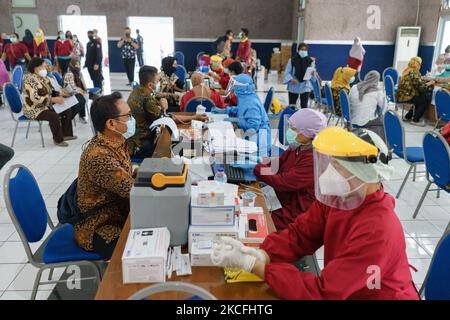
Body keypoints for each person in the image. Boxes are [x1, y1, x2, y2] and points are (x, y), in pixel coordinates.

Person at [211, 127, 420, 300]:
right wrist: (264, 254)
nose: (329, 173)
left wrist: (256, 267)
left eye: (337, 166)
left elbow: (323, 293)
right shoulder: (341, 197)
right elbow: (300, 234)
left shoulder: (378, 230)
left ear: (365, 175)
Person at [75, 92, 134, 259]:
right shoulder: (99, 156)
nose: (131, 119)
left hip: (119, 211)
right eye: (128, 116)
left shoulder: (116, 141)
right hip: (101, 225)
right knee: (138, 256)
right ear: (111, 123)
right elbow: (133, 191)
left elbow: (125, 176)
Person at [254, 109, 327, 231]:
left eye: (294, 129)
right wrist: (260, 161)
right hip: (283, 199)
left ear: (308, 134)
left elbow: (282, 182)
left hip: (297, 213)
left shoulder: (314, 159)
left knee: (258, 223)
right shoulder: (298, 145)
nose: (290, 131)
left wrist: (258, 168)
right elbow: (279, 162)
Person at [127, 66, 208, 158]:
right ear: (150, 85)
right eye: (157, 81)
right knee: (179, 151)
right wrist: (194, 117)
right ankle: (198, 157)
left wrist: (161, 100)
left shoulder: (137, 91)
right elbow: (166, 118)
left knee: (180, 142)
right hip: (141, 143)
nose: (159, 83)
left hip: (137, 137)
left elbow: (157, 105)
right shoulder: (146, 99)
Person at [23, 58, 79, 147]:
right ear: (35, 68)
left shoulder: (43, 78)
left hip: (46, 104)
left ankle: (66, 134)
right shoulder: (29, 80)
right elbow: (35, 98)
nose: (44, 68)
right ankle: (58, 140)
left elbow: (52, 90)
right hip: (34, 108)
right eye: (42, 66)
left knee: (66, 108)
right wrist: (53, 100)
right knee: (53, 116)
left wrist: (62, 93)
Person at [213, 73, 271, 157]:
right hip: (252, 136)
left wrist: (238, 121)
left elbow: (253, 126)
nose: (233, 88)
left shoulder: (251, 104)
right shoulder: (246, 96)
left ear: (241, 87)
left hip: (259, 141)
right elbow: (241, 109)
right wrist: (226, 110)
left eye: (235, 85)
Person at [349, 71, 387, 140]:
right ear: (377, 80)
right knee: (385, 121)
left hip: (351, 119)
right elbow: (384, 107)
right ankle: (380, 145)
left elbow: (349, 101)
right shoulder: (378, 91)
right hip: (365, 122)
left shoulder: (354, 87)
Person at [396, 57, 433, 126]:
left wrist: (421, 79)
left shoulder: (407, 70)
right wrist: (430, 83)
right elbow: (421, 87)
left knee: (420, 96)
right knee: (425, 99)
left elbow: (414, 82)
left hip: (401, 95)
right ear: (418, 64)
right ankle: (415, 120)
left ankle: (408, 116)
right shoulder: (415, 72)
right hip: (406, 96)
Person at [284, 43, 314, 108]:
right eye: (302, 49)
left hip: (305, 86)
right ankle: (292, 118)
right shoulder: (292, 60)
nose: (304, 51)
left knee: (304, 106)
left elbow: (313, 78)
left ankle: (303, 118)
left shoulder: (310, 61)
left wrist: (313, 74)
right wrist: (291, 79)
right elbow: (287, 73)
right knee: (292, 106)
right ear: (298, 50)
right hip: (294, 86)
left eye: (305, 50)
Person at [64, 59, 88, 123]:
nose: (78, 66)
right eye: (76, 64)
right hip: (72, 92)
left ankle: (82, 116)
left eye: (79, 64)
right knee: (81, 101)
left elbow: (83, 83)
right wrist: (80, 91)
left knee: (96, 97)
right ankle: (70, 118)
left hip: (80, 91)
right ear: (72, 65)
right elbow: (71, 87)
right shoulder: (69, 74)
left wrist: (85, 90)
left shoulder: (79, 73)